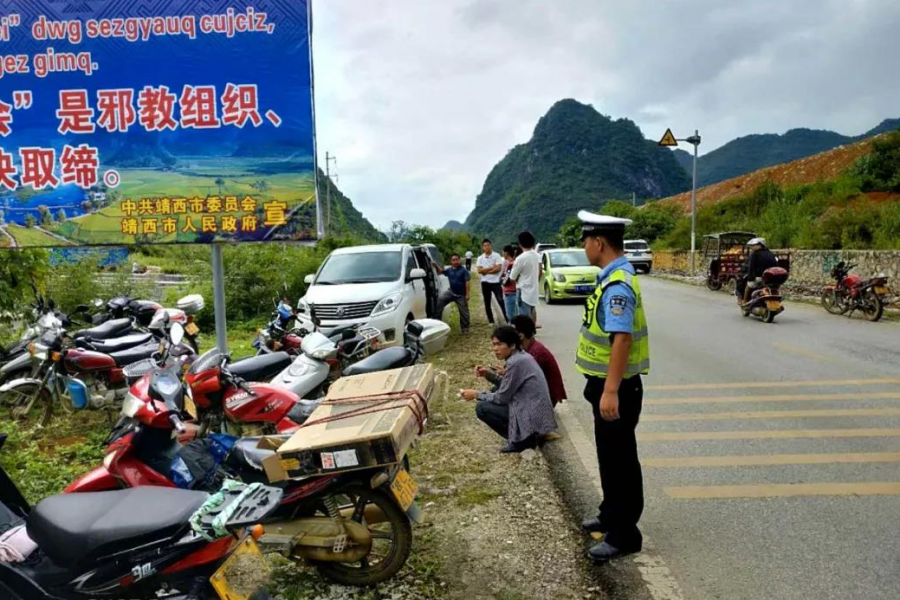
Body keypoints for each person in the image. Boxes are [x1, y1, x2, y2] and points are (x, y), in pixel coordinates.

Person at [575, 210, 650, 563]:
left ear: (599, 242)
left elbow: (621, 339)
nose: (584, 246)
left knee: (620, 460)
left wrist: (609, 390)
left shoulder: (617, 284)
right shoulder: (613, 276)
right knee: (609, 455)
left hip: (616, 388)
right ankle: (609, 515)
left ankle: (624, 534)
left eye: (586, 240)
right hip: (606, 385)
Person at [461, 326, 557, 453]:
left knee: (482, 408)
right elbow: (508, 385)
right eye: (494, 345)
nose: (495, 349)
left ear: (512, 345)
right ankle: (524, 435)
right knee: (494, 390)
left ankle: (522, 441)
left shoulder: (516, 362)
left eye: (499, 344)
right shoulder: (521, 357)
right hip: (536, 413)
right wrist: (488, 374)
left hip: (531, 415)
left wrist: (476, 394)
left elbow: (502, 398)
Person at [433, 253, 471, 334]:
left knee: (464, 312)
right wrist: (435, 265)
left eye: (457, 260)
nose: (455, 261)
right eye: (453, 260)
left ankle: (465, 328)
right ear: (451, 261)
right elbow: (440, 272)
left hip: (461, 294)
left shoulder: (463, 270)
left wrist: (467, 295)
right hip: (451, 292)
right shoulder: (449, 270)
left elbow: (467, 282)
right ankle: (437, 323)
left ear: (459, 260)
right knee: (440, 300)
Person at [510, 230, 541, 323]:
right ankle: (532, 334)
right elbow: (540, 271)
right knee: (532, 311)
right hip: (534, 290)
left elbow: (512, 277)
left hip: (523, 291)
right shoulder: (537, 255)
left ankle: (526, 336)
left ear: (520, 243)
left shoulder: (520, 258)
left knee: (524, 318)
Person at [736, 237, 778, 304]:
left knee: (749, 286)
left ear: (760, 245)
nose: (752, 247)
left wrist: (750, 278)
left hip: (759, 277)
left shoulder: (755, 254)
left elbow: (751, 267)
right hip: (770, 279)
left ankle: (744, 300)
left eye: (754, 245)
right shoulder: (770, 253)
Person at [475, 238, 507, 325]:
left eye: (488, 245)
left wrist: (486, 271)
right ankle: (491, 321)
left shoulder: (496, 255)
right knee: (487, 302)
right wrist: (491, 268)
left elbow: (498, 268)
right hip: (485, 282)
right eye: (485, 246)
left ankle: (507, 318)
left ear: (491, 246)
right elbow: (479, 271)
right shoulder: (480, 258)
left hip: (495, 282)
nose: (487, 247)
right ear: (483, 247)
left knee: (500, 300)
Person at [500, 245, 520, 321]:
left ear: (506, 253)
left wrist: (502, 281)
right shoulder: (509, 263)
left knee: (511, 316)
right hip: (511, 292)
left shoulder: (511, 264)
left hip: (510, 293)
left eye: (503, 252)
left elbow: (506, 280)